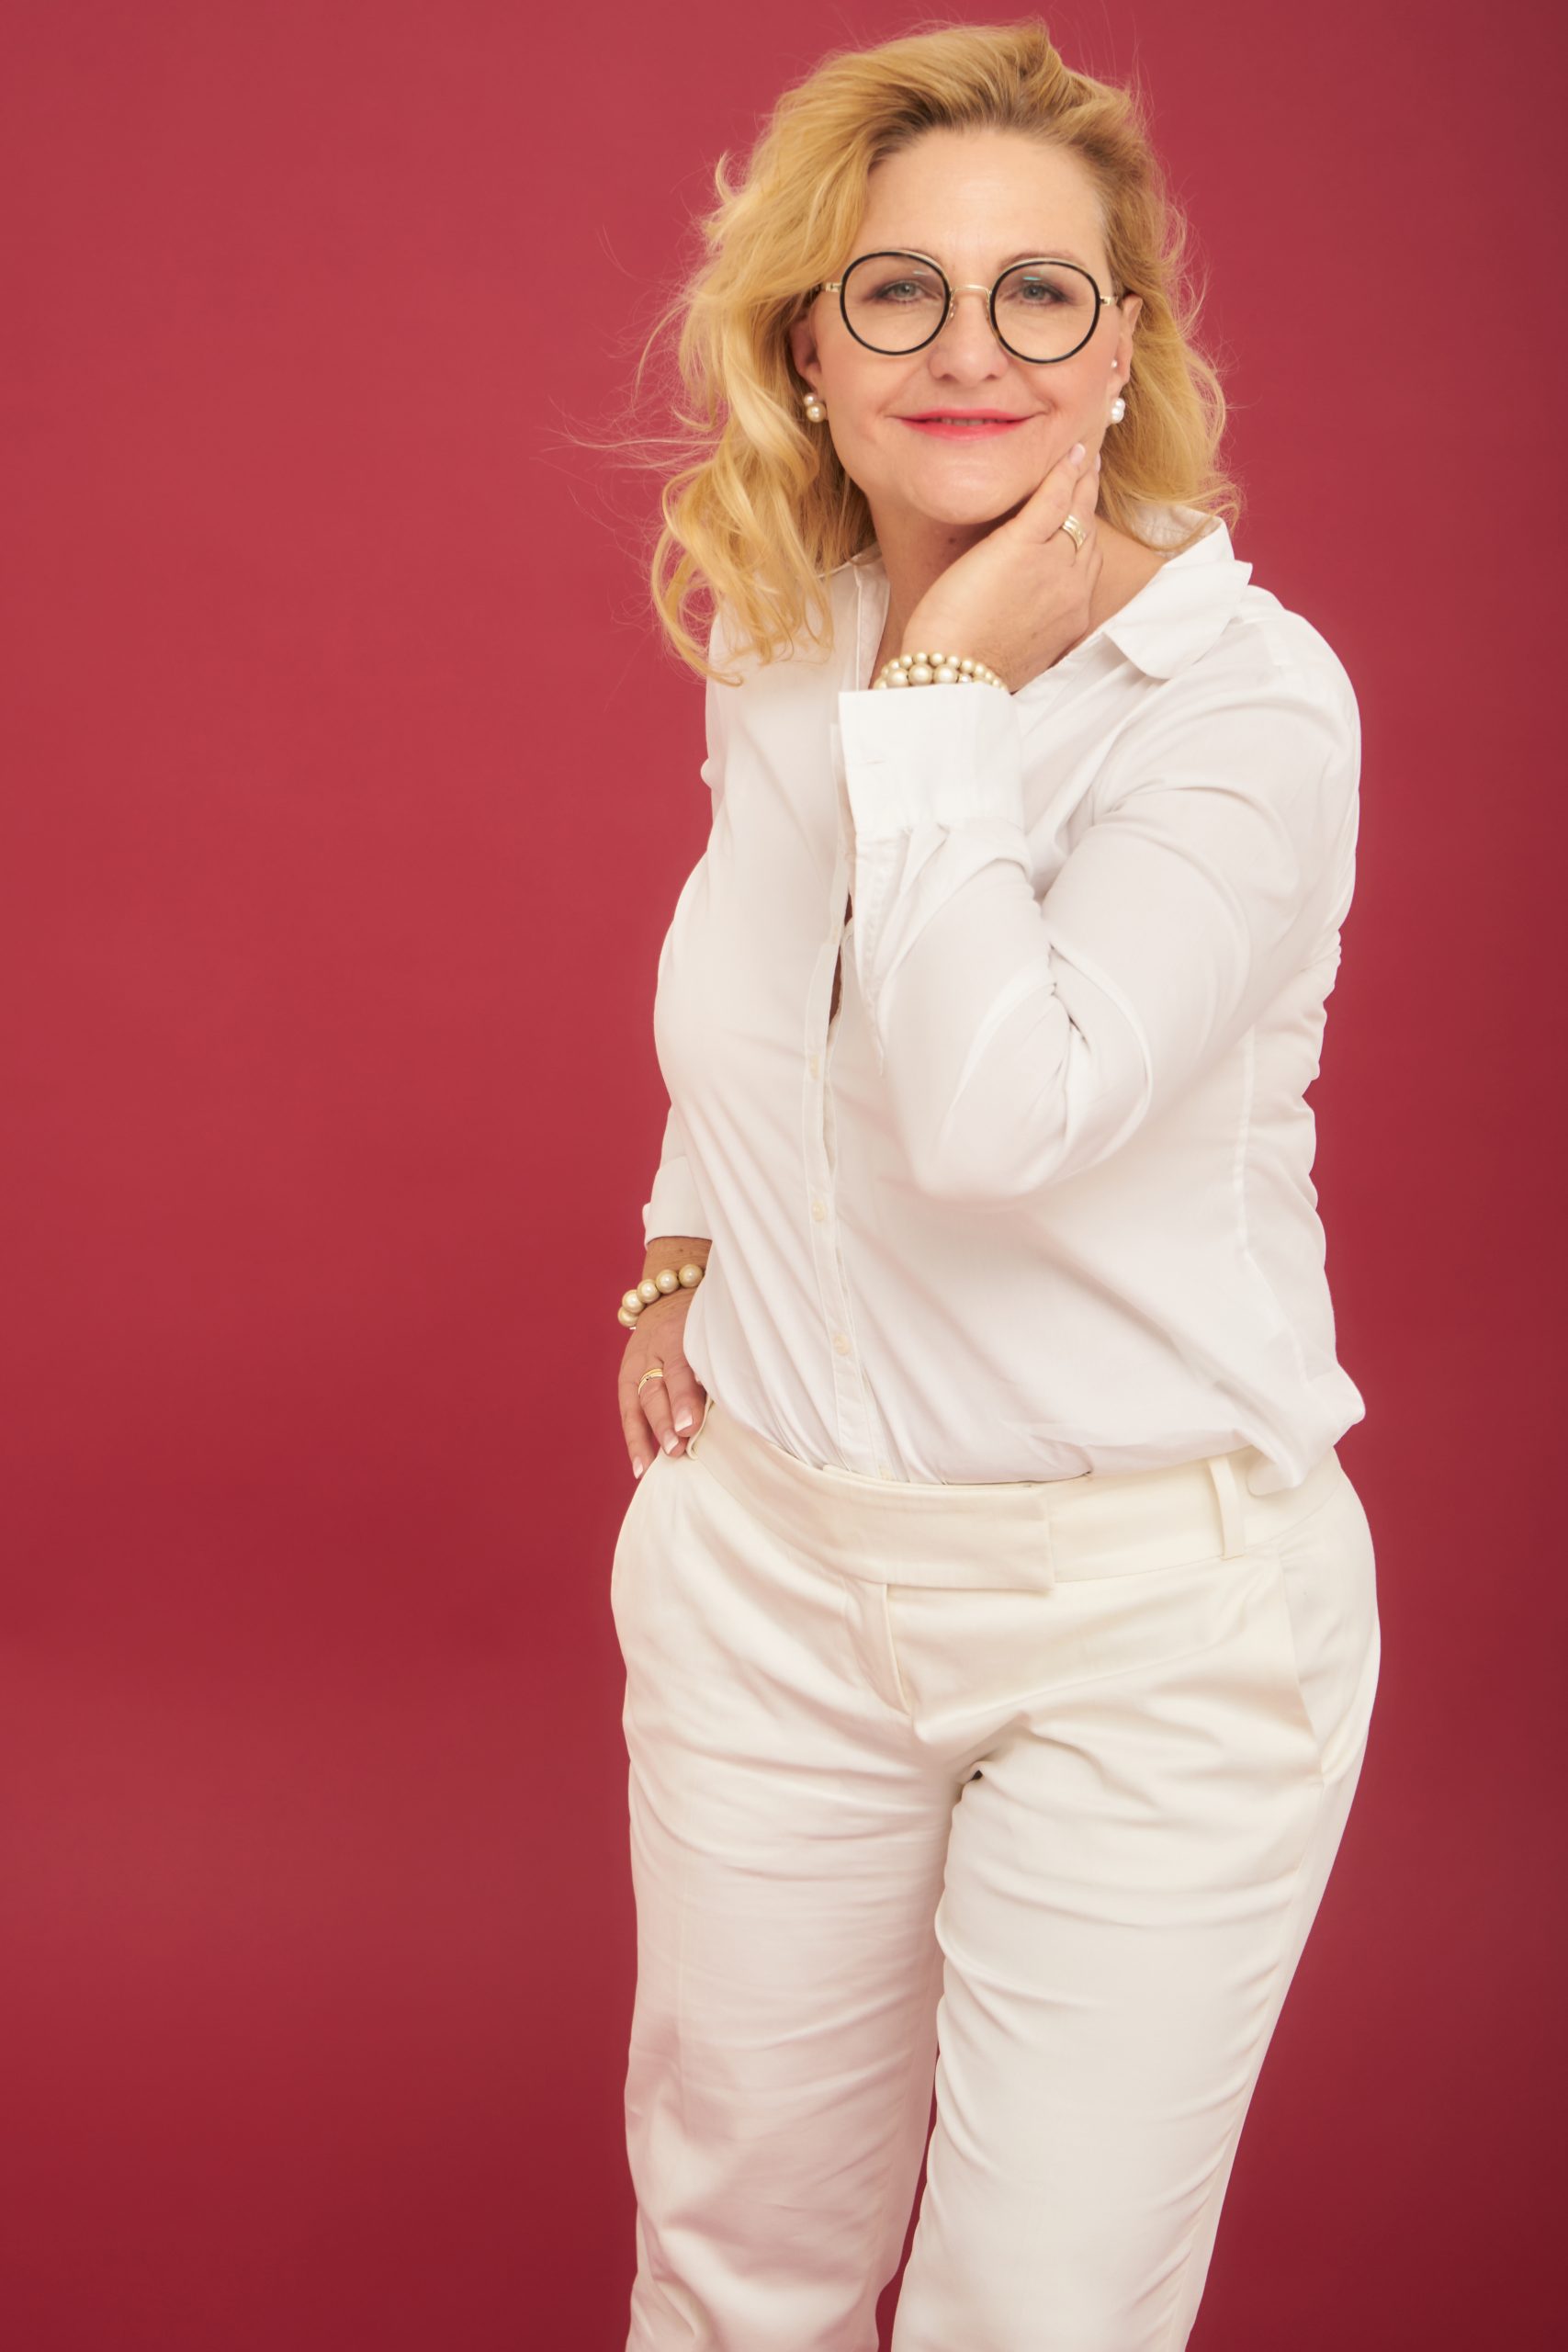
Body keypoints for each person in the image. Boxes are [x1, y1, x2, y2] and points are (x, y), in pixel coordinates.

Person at [605, 20, 1382, 2351]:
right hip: (770, 1579)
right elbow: (762, 982)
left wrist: (944, 699)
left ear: (1118, 345)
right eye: (897, 292)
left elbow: (992, 1115)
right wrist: (681, 1243)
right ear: (808, 351)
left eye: (1036, 292)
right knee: (727, 2273)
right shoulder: (788, 628)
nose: (969, 350)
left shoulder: (1239, 707)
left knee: (1031, 2323)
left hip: (1144, 1621)